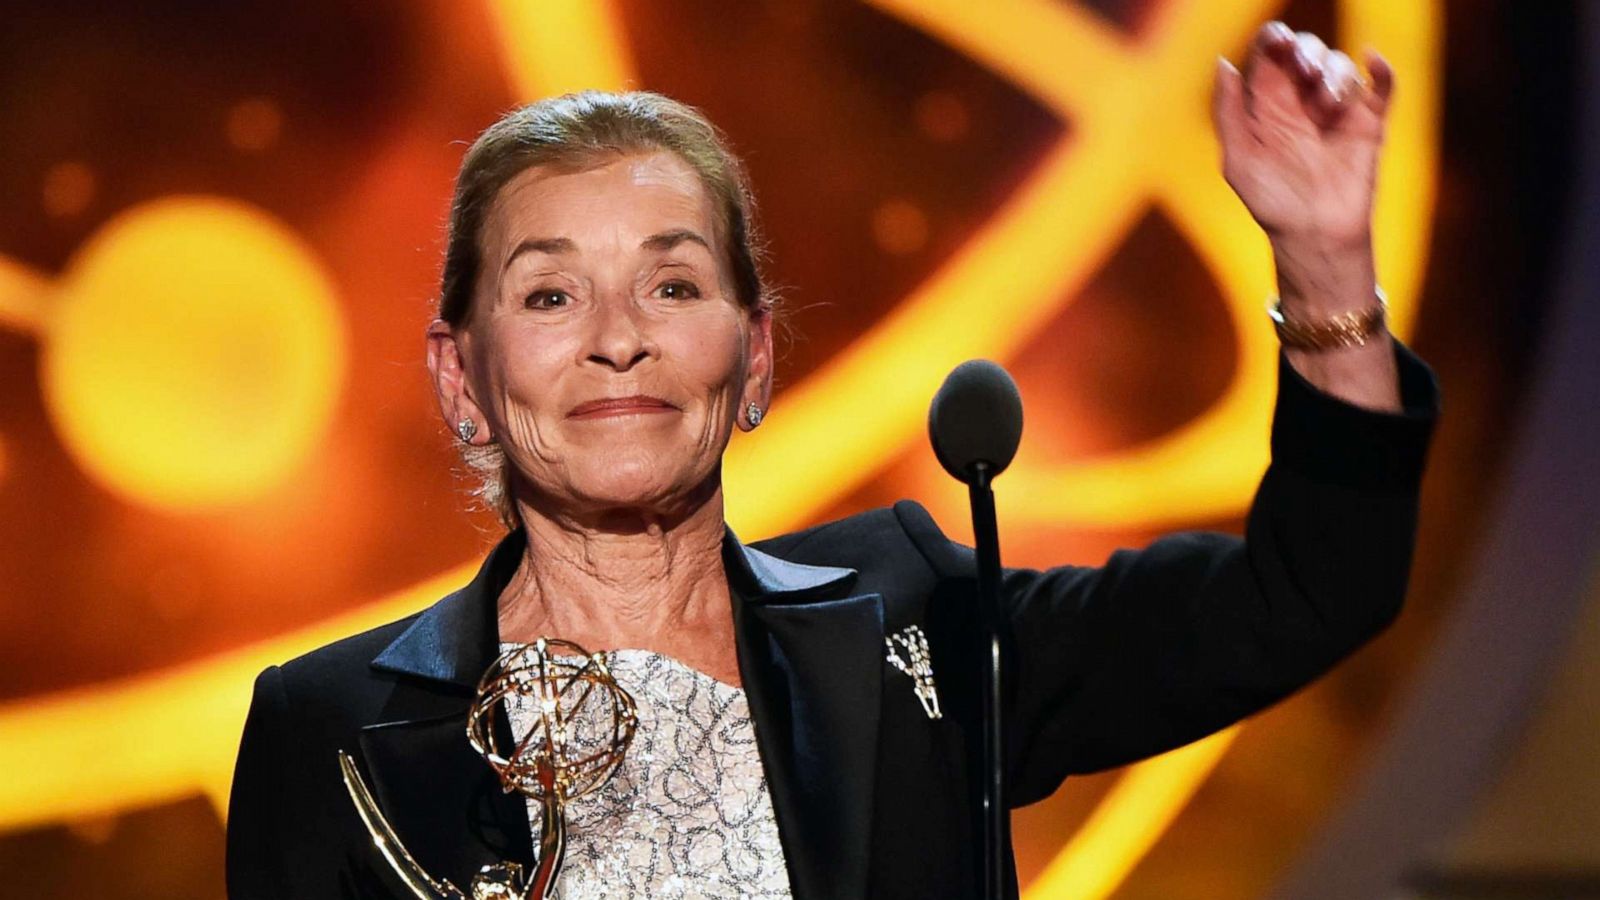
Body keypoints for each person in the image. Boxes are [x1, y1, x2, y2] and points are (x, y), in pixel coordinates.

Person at [226, 21, 1438, 900]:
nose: (616, 339)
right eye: (549, 293)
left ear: (753, 358)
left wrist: (1324, 260)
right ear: (462, 379)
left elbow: (1308, 593)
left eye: (671, 283)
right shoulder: (329, 730)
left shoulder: (909, 625)